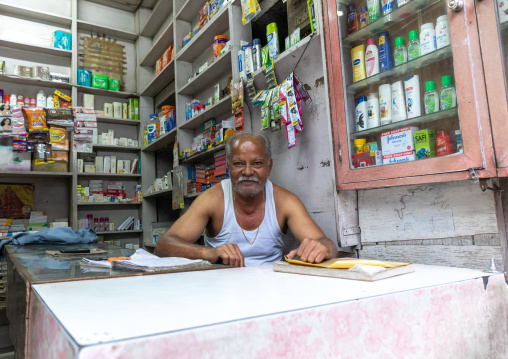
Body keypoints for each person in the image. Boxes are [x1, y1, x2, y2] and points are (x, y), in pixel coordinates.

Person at [154, 132, 338, 267]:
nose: (248, 172)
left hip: (271, 289)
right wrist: (209, 253)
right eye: (238, 164)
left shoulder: (285, 201)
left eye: (257, 163)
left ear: (269, 166)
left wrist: (322, 248)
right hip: (220, 288)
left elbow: (326, 242)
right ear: (228, 167)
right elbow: (163, 246)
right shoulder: (212, 199)